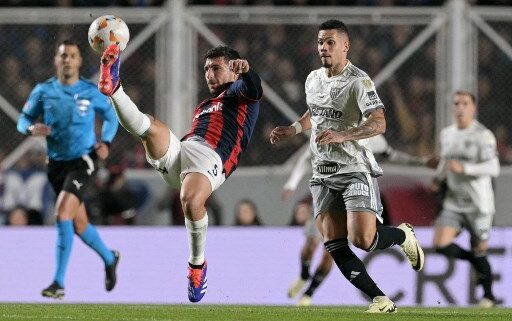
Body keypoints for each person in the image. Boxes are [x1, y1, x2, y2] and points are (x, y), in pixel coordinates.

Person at [270, 20, 424, 313]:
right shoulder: (313, 78)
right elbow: (314, 113)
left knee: (363, 240)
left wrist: (344, 135)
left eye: (330, 42)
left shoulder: (359, 81)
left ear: (345, 45)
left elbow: (379, 122)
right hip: (322, 174)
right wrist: (293, 129)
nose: (323, 48)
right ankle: (381, 300)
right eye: (320, 43)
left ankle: (403, 235)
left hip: (354, 168)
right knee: (334, 243)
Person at [98, 44, 262, 302]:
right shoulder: (204, 105)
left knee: (191, 200)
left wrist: (248, 72)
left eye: (216, 68)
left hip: (212, 158)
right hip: (184, 152)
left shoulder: (239, 93)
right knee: (151, 127)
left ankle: (197, 266)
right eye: (206, 69)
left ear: (233, 69)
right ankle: (114, 89)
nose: (209, 74)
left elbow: (255, 89)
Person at [16, 40, 120, 299]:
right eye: (63, 55)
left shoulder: (90, 90)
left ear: (79, 61)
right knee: (79, 223)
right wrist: (30, 129)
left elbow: (111, 116)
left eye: (72, 56)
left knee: (62, 213)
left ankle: (58, 283)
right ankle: (109, 258)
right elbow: (23, 120)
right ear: (56, 60)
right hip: (56, 165)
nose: (67, 60)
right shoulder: (43, 91)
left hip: (84, 160)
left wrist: (105, 142)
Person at [283, 135, 430, 307]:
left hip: (353, 195)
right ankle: (304, 275)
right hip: (326, 193)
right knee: (312, 245)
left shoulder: (372, 136)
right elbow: (307, 156)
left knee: (336, 249)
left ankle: (309, 293)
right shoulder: (328, 123)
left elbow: (392, 155)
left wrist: (421, 162)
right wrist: (291, 184)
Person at [432, 91, 500, 308]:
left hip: (479, 203)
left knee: (480, 248)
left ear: (473, 108)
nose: (460, 107)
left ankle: (488, 296)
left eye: (465, 103)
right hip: (454, 201)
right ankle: (472, 260)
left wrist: (466, 168)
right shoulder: (447, 134)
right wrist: (438, 178)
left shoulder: (483, 135)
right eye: (456, 104)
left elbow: (494, 167)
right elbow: (446, 161)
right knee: (440, 244)